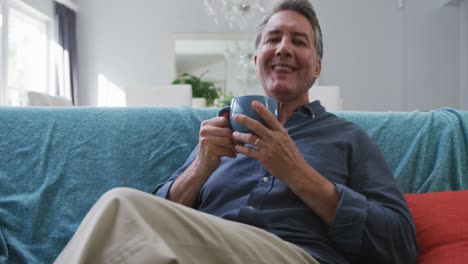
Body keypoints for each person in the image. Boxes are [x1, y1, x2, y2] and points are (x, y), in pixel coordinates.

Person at [55, 0, 418, 263]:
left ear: (317, 66)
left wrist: (298, 173)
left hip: (295, 254)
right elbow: (158, 214)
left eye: (299, 41)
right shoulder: (221, 133)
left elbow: (400, 244)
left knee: (121, 206)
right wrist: (200, 168)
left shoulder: (349, 138)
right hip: (193, 252)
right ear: (257, 58)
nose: (283, 48)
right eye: (273, 39)